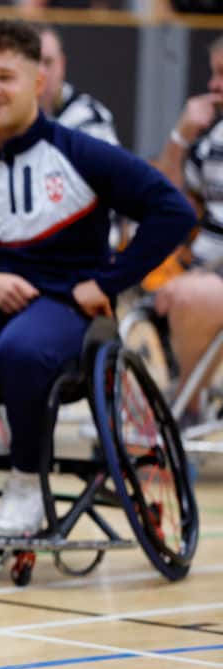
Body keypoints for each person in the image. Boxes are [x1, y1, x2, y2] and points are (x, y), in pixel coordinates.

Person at [0, 20, 195, 537]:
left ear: (38, 82)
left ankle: (23, 483)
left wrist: (109, 282)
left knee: (23, 350)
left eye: (5, 77)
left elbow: (171, 211)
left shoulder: (81, 154)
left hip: (63, 302)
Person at [152, 34, 223, 419]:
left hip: (207, 283)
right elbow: (167, 202)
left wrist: (193, 284)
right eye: (213, 75)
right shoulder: (214, 138)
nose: (213, 86)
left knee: (189, 298)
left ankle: (184, 409)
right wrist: (180, 138)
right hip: (201, 272)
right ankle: (180, 405)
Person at [0, 24, 119, 148]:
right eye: (33, 63)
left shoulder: (88, 117)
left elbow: (117, 182)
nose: (41, 72)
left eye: (47, 62)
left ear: (61, 65)